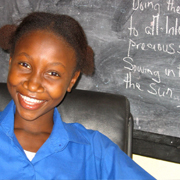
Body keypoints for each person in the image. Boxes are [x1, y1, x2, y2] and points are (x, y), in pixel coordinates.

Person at [0, 12, 155, 180]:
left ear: (72, 81)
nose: (33, 84)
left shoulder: (95, 151)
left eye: (53, 73)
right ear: (10, 63)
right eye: (24, 64)